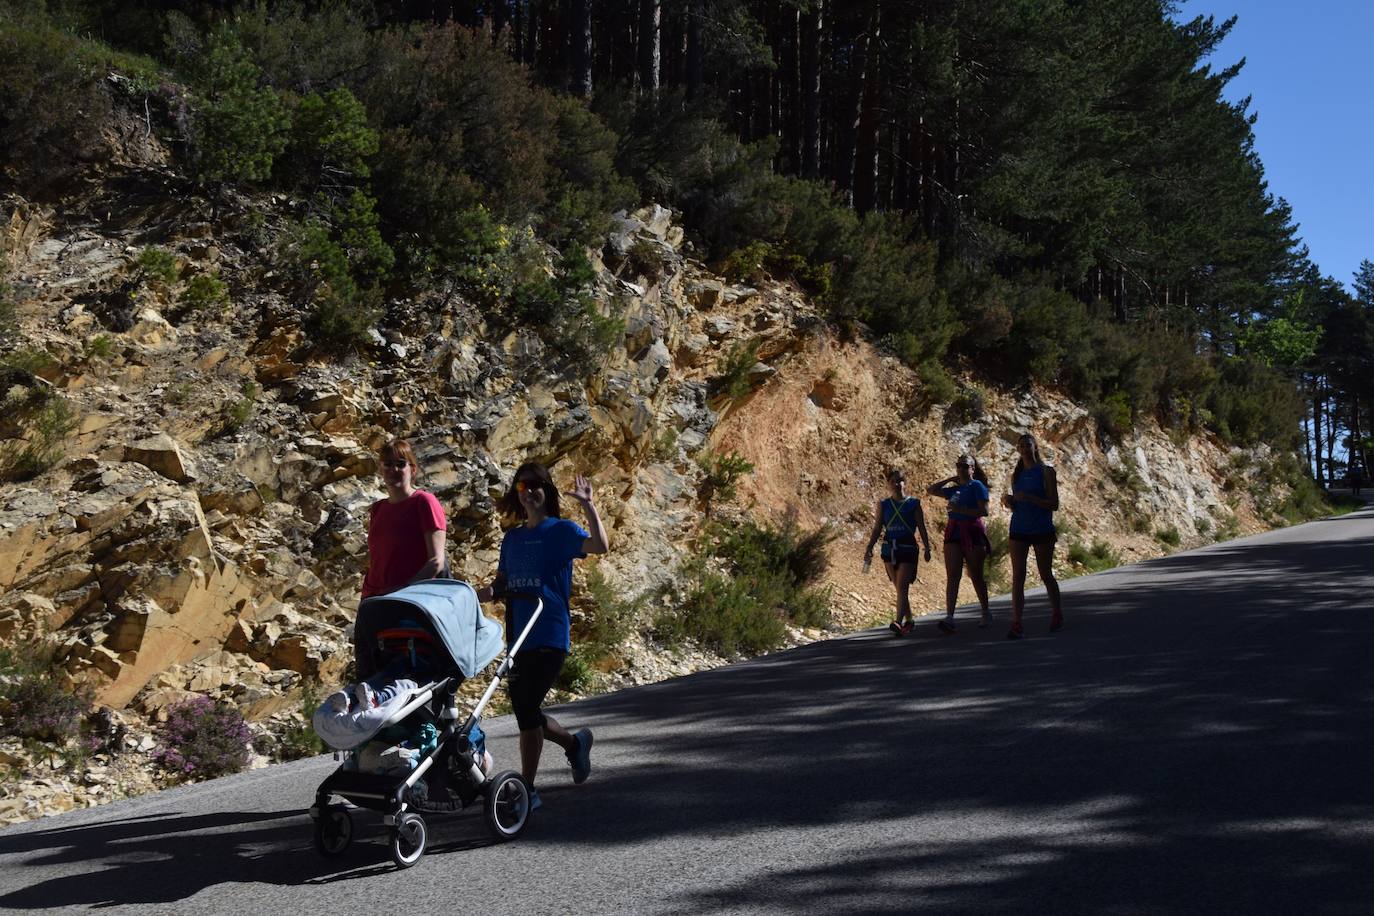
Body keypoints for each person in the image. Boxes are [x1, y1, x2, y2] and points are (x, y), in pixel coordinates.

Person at [477, 462, 608, 811]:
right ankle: (574, 744)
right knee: (527, 711)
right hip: (518, 638)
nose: (530, 491)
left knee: (526, 707)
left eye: (536, 485)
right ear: (517, 495)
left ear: (546, 492)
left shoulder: (561, 531)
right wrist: (477, 595)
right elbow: (502, 582)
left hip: (550, 633)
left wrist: (588, 505)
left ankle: (527, 788)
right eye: (523, 486)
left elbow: (600, 546)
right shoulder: (513, 538)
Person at [361, 439, 447, 599]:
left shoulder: (423, 502)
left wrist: (403, 590)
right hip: (373, 597)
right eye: (387, 464)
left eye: (401, 464)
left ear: (413, 469)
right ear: (380, 468)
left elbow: (436, 561)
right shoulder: (378, 509)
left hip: (410, 600)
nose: (393, 469)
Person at [1002, 433, 1064, 639]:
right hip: (1019, 528)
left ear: (1035, 447)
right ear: (1018, 450)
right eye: (1021, 446)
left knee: (1045, 573)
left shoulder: (1046, 472)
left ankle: (1057, 613)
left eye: (1028, 445)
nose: (1025, 449)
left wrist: (1030, 497)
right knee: (1018, 575)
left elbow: (1054, 504)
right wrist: (1010, 501)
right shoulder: (1016, 475)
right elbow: (1017, 504)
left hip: (1041, 529)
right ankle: (1017, 622)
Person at [926, 455, 993, 633]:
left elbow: (984, 510)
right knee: (953, 575)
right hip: (954, 532)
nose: (961, 469)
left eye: (965, 466)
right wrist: (949, 479)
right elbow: (931, 490)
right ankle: (950, 617)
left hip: (972, 531)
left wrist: (962, 510)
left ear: (972, 468)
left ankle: (986, 611)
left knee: (975, 574)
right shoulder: (955, 489)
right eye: (958, 466)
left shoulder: (977, 486)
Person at [864, 467, 933, 637]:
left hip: (908, 548)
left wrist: (927, 547)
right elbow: (877, 527)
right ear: (888, 484)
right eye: (893, 481)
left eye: (900, 480)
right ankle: (909, 620)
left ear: (905, 482)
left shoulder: (914, 504)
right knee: (899, 588)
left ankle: (898, 621)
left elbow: (921, 527)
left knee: (902, 586)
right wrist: (869, 547)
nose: (897, 484)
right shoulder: (884, 505)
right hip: (889, 548)